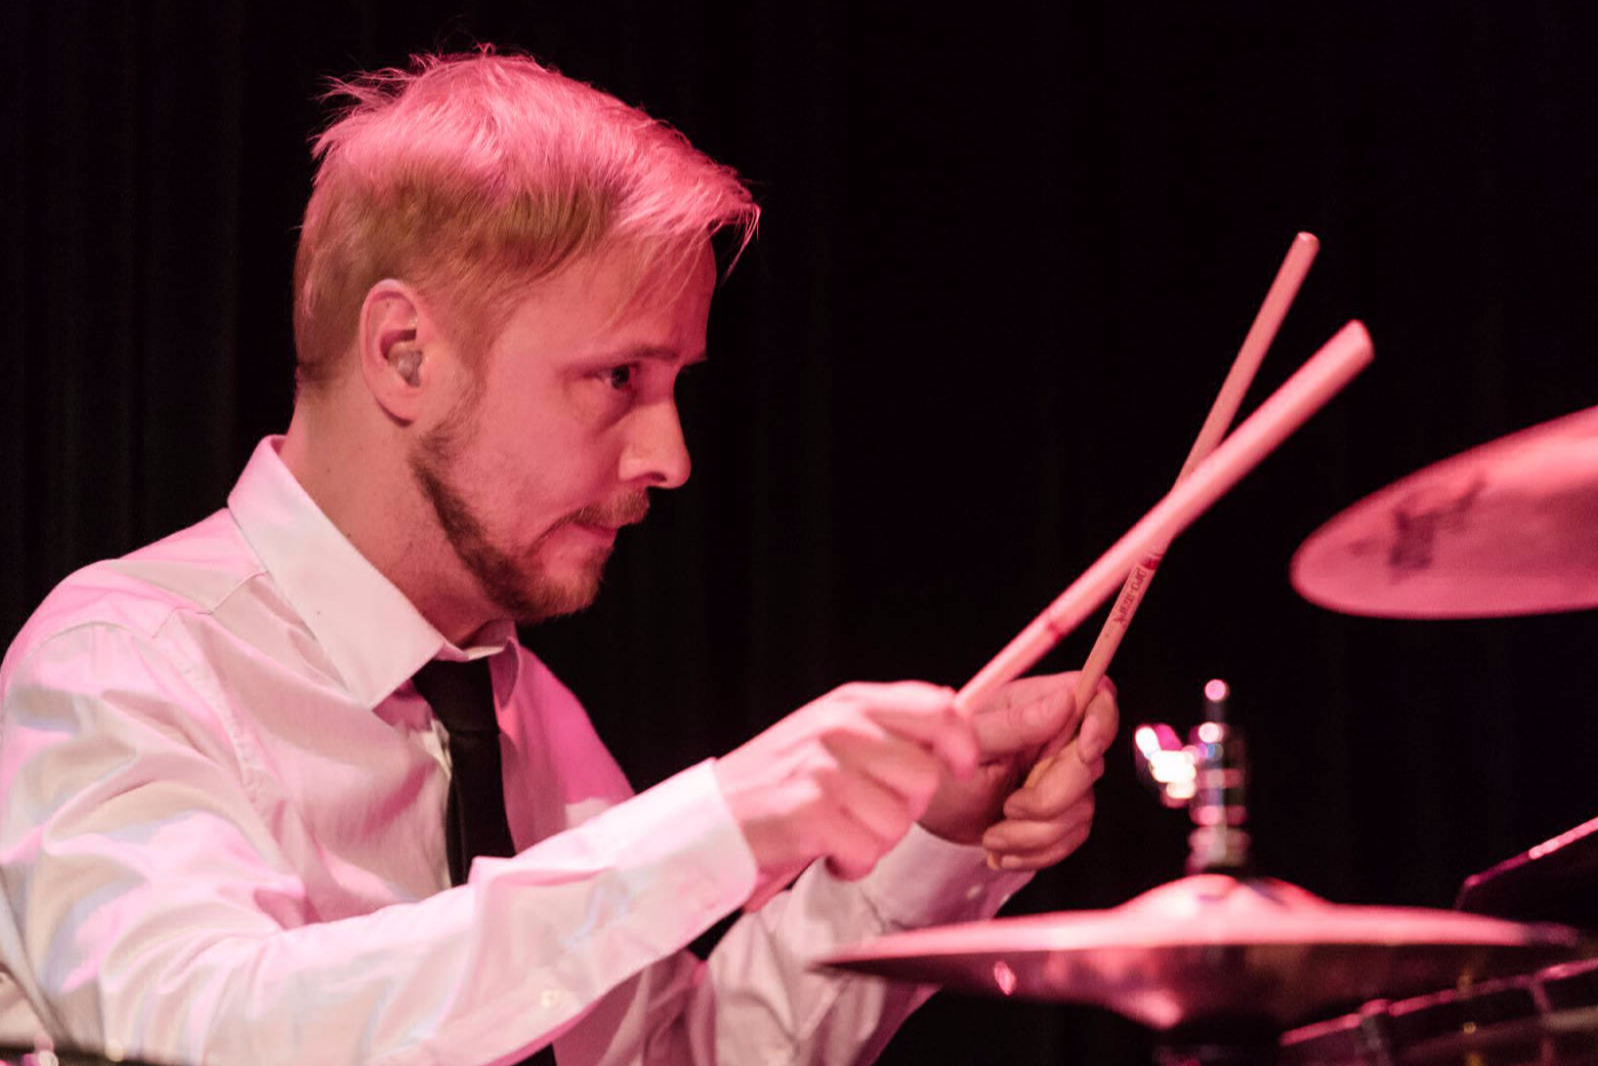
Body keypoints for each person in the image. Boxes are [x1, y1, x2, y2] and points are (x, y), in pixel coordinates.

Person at [0, 50, 1117, 1066]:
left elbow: (669, 1056)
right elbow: (199, 1031)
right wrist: (716, 821)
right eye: (618, 377)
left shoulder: (527, 713)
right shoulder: (124, 660)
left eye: (672, 385)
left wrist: (931, 840)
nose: (671, 458)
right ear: (405, 352)